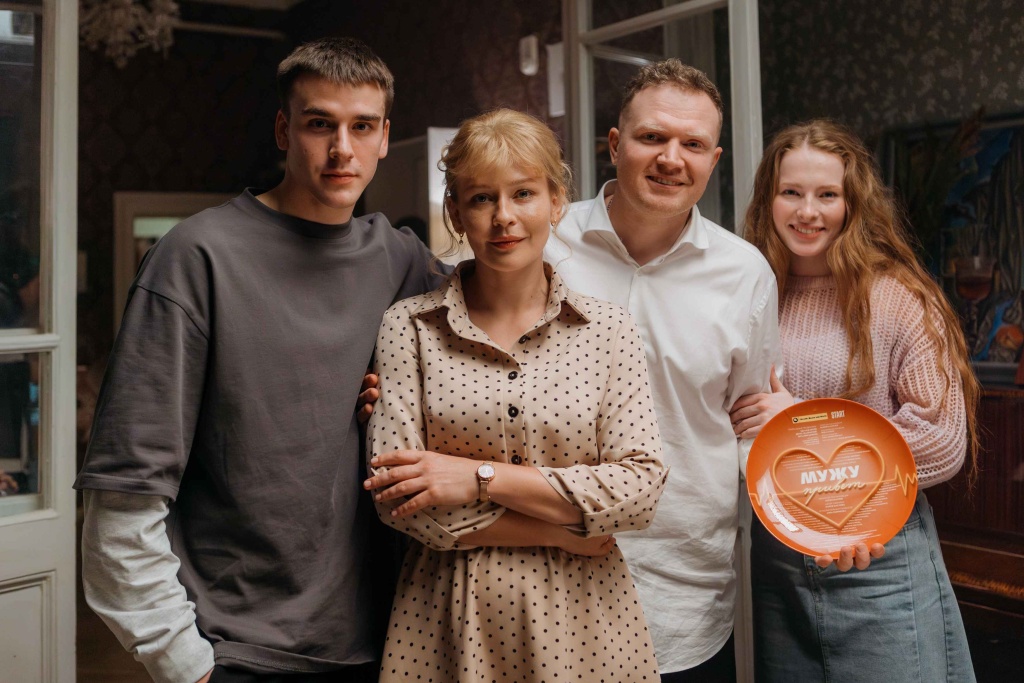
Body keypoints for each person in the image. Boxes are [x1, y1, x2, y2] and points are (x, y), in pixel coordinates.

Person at [75, 37, 440, 683]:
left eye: (362, 126)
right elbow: (124, 493)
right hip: (237, 651)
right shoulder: (196, 257)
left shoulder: (403, 259)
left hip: (387, 644)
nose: (342, 149)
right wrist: (184, 662)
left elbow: (517, 326)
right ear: (282, 130)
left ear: (385, 137)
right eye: (319, 124)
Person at [363, 108, 668, 682]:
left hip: (588, 626)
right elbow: (396, 499)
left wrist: (475, 478)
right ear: (456, 211)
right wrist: (566, 531)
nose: (503, 216)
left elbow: (639, 491)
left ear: (556, 201)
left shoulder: (608, 329)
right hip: (448, 625)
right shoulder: (408, 326)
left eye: (523, 193)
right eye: (482, 198)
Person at [544, 59, 782, 682]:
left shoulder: (745, 274)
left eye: (693, 145)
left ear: (714, 159)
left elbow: (752, 424)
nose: (671, 159)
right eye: (652, 137)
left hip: (684, 596)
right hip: (543, 576)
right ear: (615, 144)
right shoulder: (541, 243)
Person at [730, 119, 978, 681]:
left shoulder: (898, 297)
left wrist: (798, 423)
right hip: (776, 560)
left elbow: (942, 442)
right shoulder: (748, 297)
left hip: (878, 560)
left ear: (853, 204)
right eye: (791, 192)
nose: (807, 211)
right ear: (768, 199)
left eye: (827, 195)